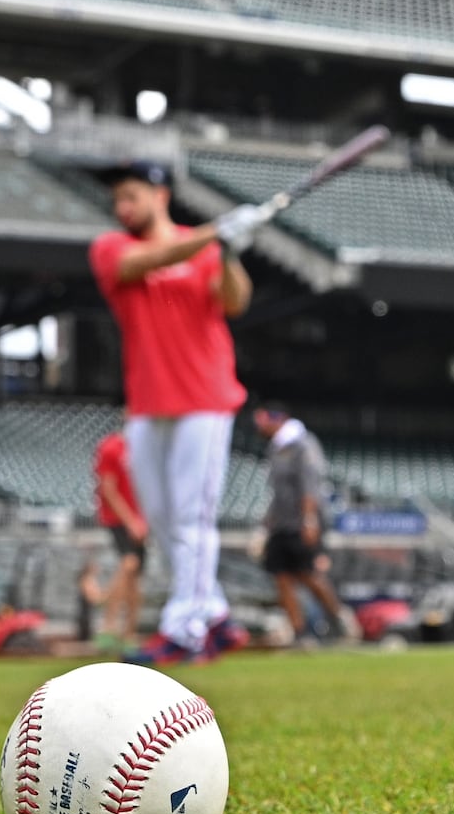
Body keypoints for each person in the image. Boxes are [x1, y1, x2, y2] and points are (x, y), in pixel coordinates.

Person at [88, 160, 265, 665]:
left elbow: (235, 301)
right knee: (164, 522)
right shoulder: (112, 248)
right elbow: (140, 264)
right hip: (147, 403)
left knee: (192, 517)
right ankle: (216, 614)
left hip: (204, 399)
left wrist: (226, 251)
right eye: (118, 199)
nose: (123, 207)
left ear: (160, 195)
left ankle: (185, 628)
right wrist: (216, 233)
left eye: (132, 196)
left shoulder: (203, 247)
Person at [252, 402, 361, 645]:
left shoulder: (303, 444)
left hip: (301, 523)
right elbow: (276, 495)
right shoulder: (276, 449)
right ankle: (299, 633)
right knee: (280, 577)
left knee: (308, 575)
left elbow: (310, 485)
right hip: (281, 524)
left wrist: (309, 520)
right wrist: (264, 529)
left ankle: (341, 620)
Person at [91, 429, 147, 651]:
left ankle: (129, 635)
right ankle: (108, 626)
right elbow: (108, 488)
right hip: (118, 518)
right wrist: (131, 520)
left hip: (141, 521)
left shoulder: (147, 448)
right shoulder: (112, 447)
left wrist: (144, 520)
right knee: (129, 563)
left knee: (135, 577)